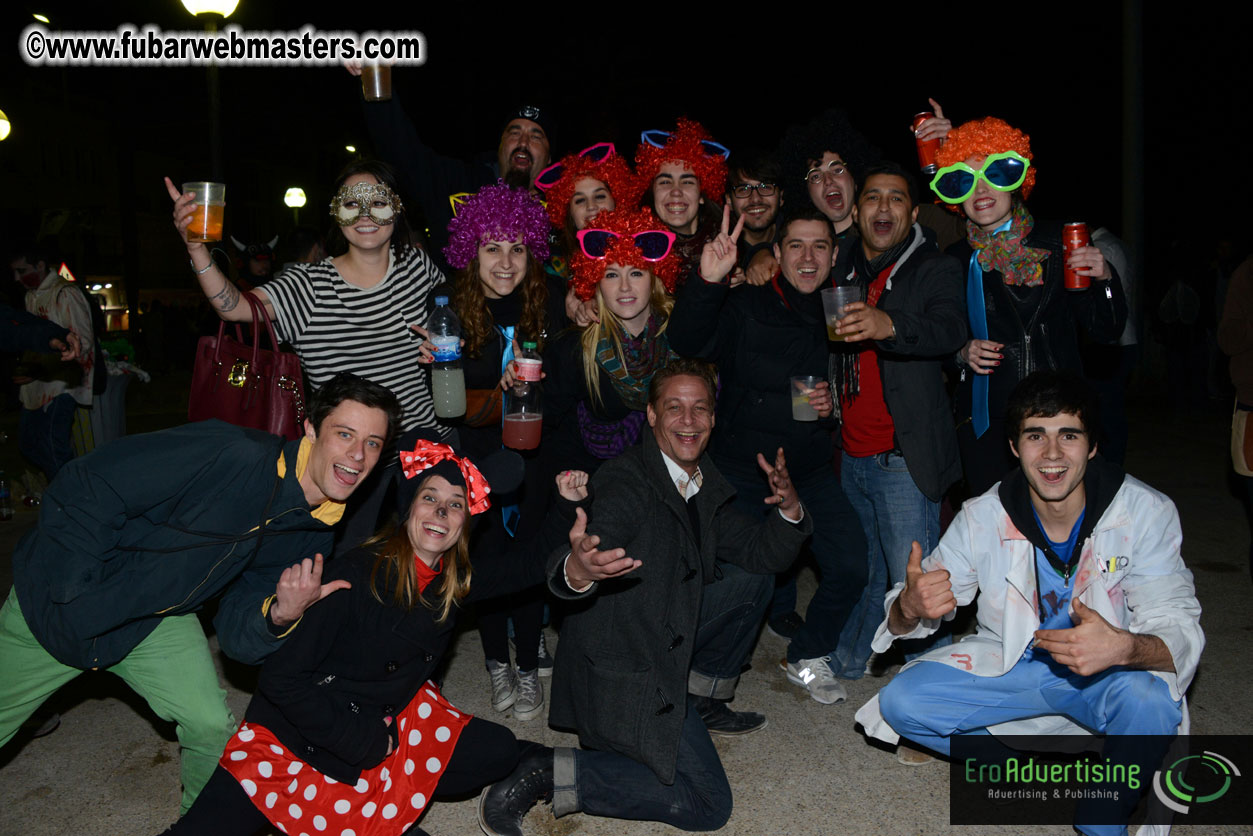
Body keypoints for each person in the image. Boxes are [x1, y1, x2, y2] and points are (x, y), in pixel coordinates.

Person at [0, 374, 401, 813]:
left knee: (210, 725)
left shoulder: (315, 532)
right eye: (344, 434)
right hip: (56, 605)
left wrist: (277, 616)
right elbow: (89, 481)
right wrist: (74, 590)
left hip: (156, 619)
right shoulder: (234, 453)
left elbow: (235, 633)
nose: (358, 455)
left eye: (373, 443)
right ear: (310, 429)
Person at [156, 433, 585, 836]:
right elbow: (280, 682)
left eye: (455, 505)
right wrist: (363, 741)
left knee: (499, 751)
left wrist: (565, 504)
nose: (441, 511)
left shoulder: (451, 581)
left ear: (465, 525)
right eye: (430, 498)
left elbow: (528, 566)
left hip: (390, 714)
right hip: (299, 735)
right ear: (408, 509)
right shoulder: (353, 576)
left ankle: (382, 794)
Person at [856, 371, 1203, 836]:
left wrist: (1124, 648)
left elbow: (1178, 626)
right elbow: (911, 606)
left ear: (1092, 446)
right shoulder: (983, 515)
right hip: (1015, 665)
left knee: (1152, 700)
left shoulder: (1143, 511)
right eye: (1036, 436)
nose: (1053, 454)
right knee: (900, 703)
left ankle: (1102, 816)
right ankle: (1038, 774)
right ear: (1014, 447)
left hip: (1106, 674)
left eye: (1069, 435)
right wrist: (909, 607)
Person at [477, 358, 812, 835]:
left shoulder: (700, 479)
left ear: (713, 417)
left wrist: (791, 508)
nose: (688, 420)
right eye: (674, 407)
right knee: (708, 804)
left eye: (700, 408)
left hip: (663, 636)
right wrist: (579, 569)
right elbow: (587, 546)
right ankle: (545, 768)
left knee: (751, 581)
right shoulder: (627, 481)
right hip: (624, 667)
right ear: (651, 415)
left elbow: (763, 553)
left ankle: (700, 696)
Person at [166, 160, 444, 549]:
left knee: (430, 569)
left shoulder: (418, 268)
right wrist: (196, 247)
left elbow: (454, 323)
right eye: (352, 203)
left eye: (378, 202)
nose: (365, 215)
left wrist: (447, 343)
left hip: (426, 450)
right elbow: (235, 308)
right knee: (351, 570)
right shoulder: (309, 285)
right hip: (350, 467)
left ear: (396, 209)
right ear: (336, 212)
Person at [669, 205, 868, 705]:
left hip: (808, 471)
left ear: (834, 255)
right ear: (777, 252)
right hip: (742, 469)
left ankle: (807, 655)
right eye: (796, 245)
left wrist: (829, 408)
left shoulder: (843, 312)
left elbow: (848, 386)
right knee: (741, 576)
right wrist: (708, 281)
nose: (808, 257)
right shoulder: (746, 304)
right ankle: (703, 670)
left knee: (850, 565)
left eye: (820, 246)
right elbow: (687, 341)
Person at [426, 182, 568, 722]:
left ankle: (528, 664)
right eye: (491, 248)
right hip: (479, 451)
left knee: (529, 557)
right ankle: (495, 664)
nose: (505, 262)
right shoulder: (448, 309)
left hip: (537, 450)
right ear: (471, 251)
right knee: (484, 560)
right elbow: (448, 400)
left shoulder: (550, 300)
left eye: (517, 248)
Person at [927, 116, 1126, 495]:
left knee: (1058, 517)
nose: (981, 189)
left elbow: (1106, 330)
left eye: (993, 174)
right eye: (966, 180)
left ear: (1016, 180)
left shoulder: (1058, 242)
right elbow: (937, 337)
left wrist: (1105, 280)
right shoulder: (953, 259)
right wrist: (960, 352)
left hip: (1056, 416)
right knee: (995, 523)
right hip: (987, 422)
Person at [827, 163, 966, 687]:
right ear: (857, 210)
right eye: (872, 197)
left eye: (896, 198)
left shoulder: (933, 267)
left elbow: (949, 329)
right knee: (865, 572)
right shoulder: (841, 266)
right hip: (851, 453)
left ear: (913, 212)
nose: (883, 208)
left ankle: (935, 692)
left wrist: (889, 324)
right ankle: (849, 660)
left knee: (917, 584)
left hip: (902, 459)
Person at [352, 65, 556, 266]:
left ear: (549, 157)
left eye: (536, 137)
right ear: (501, 146)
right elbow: (401, 150)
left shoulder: (561, 210)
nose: (523, 142)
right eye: (514, 132)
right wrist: (371, 74)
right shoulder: (456, 182)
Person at [541, 207, 680, 475]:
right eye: (612, 275)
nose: (624, 287)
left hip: (664, 482)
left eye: (636, 273)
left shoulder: (678, 337)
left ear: (655, 278)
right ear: (596, 282)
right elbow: (546, 432)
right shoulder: (574, 349)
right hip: (589, 482)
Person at [9, 247, 95, 482]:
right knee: (29, 444)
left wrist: (42, 368)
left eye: (21, 271)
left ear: (40, 265)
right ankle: (68, 488)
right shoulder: (31, 296)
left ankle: (71, 495)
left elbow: (83, 341)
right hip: (37, 387)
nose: (16, 278)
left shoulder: (65, 293)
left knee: (52, 447)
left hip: (62, 386)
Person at [532, 141, 637, 324]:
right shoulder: (553, 265)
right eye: (580, 200)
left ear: (617, 199)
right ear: (569, 213)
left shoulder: (641, 248)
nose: (591, 206)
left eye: (600, 196)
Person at [634, 119, 729, 281]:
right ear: (653, 193)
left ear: (701, 195)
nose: (676, 192)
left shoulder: (730, 243)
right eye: (665, 182)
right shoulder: (637, 253)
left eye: (687, 182)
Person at [725, 149, 784, 286]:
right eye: (743, 189)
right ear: (729, 200)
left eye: (765, 187)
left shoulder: (799, 235)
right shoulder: (717, 249)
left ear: (781, 197)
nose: (756, 199)